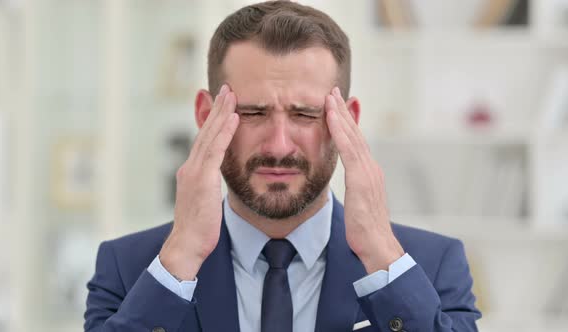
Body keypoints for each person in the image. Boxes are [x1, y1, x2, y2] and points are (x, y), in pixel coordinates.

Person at [84, 1, 481, 331]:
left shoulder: (430, 266)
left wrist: (379, 253)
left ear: (348, 121)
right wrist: (182, 256)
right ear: (207, 115)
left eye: (305, 114)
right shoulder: (130, 268)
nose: (278, 144)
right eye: (253, 112)